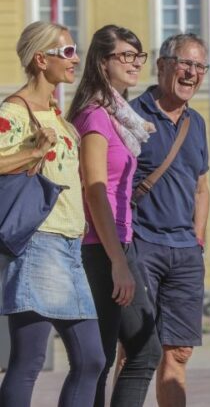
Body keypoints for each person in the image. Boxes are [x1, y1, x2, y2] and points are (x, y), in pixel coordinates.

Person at [0, 21, 105, 406]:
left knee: (91, 359)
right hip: (38, 242)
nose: (75, 59)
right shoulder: (15, 110)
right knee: (29, 360)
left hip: (69, 245)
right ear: (41, 59)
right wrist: (32, 152)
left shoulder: (56, 114)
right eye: (67, 52)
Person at [67, 24, 162, 407]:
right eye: (126, 55)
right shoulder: (94, 117)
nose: (135, 63)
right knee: (106, 358)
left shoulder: (117, 117)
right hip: (100, 247)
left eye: (138, 56)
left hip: (119, 242)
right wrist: (118, 262)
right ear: (102, 62)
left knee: (129, 351)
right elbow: (94, 190)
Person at [129, 33, 210, 407]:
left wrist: (198, 240)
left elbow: (201, 188)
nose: (192, 73)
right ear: (162, 65)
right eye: (185, 63)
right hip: (141, 245)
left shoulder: (197, 123)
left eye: (200, 66)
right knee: (135, 349)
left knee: (178, 352)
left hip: (185, 252)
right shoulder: (131, 115)